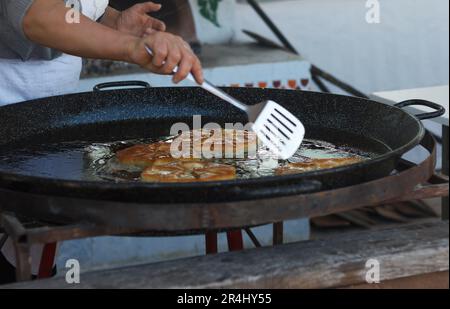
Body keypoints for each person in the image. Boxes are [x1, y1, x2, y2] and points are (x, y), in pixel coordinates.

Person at [0, 0, 204, 284]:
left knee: (32, 258)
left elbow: (69, 8)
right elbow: (37, 14)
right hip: (9, 123)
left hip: (45, 129)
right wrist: (128, 47)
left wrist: (113, 21)